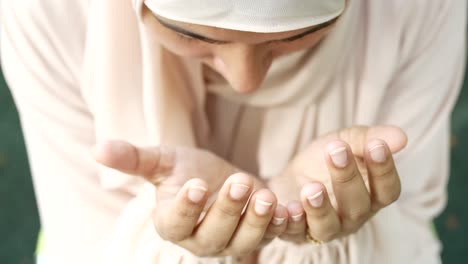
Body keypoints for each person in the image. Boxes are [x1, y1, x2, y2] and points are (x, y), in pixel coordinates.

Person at [1, 0, 466, 263]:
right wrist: (176, 250)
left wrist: (339, 238)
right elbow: (84, 240)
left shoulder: (419, 7)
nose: (246, 80)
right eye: (190, 36)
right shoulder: (47, 10)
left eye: (295, 36)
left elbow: (411, 220)